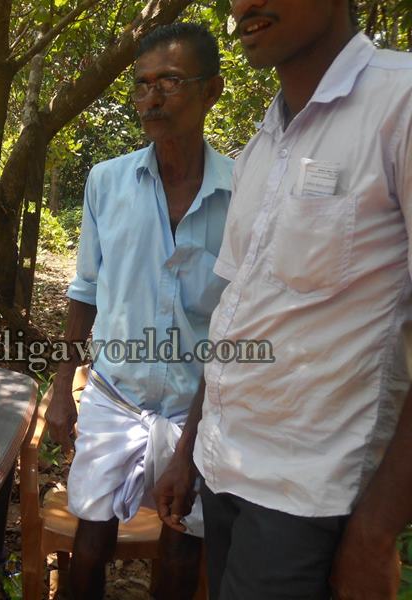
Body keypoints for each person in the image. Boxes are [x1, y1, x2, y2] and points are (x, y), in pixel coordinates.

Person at [153, 1, 412, 598]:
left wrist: (376, 532)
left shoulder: (398, 105)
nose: (245, 4)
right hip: (227, 472)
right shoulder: (263, 146)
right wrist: (189, 448)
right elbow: (236, 317)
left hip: (311, 499)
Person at [45, 23, 234, 599]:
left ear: (211, 91)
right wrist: (60, 389)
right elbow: (85, 291)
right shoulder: (107, 183)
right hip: (114, 395)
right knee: (89, 542)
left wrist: (193, 439)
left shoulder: (243, 192)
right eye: (142, 84)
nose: (151, 98)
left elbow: (239, 319)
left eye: (170, 81)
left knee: (181, 548)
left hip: (197, 404)